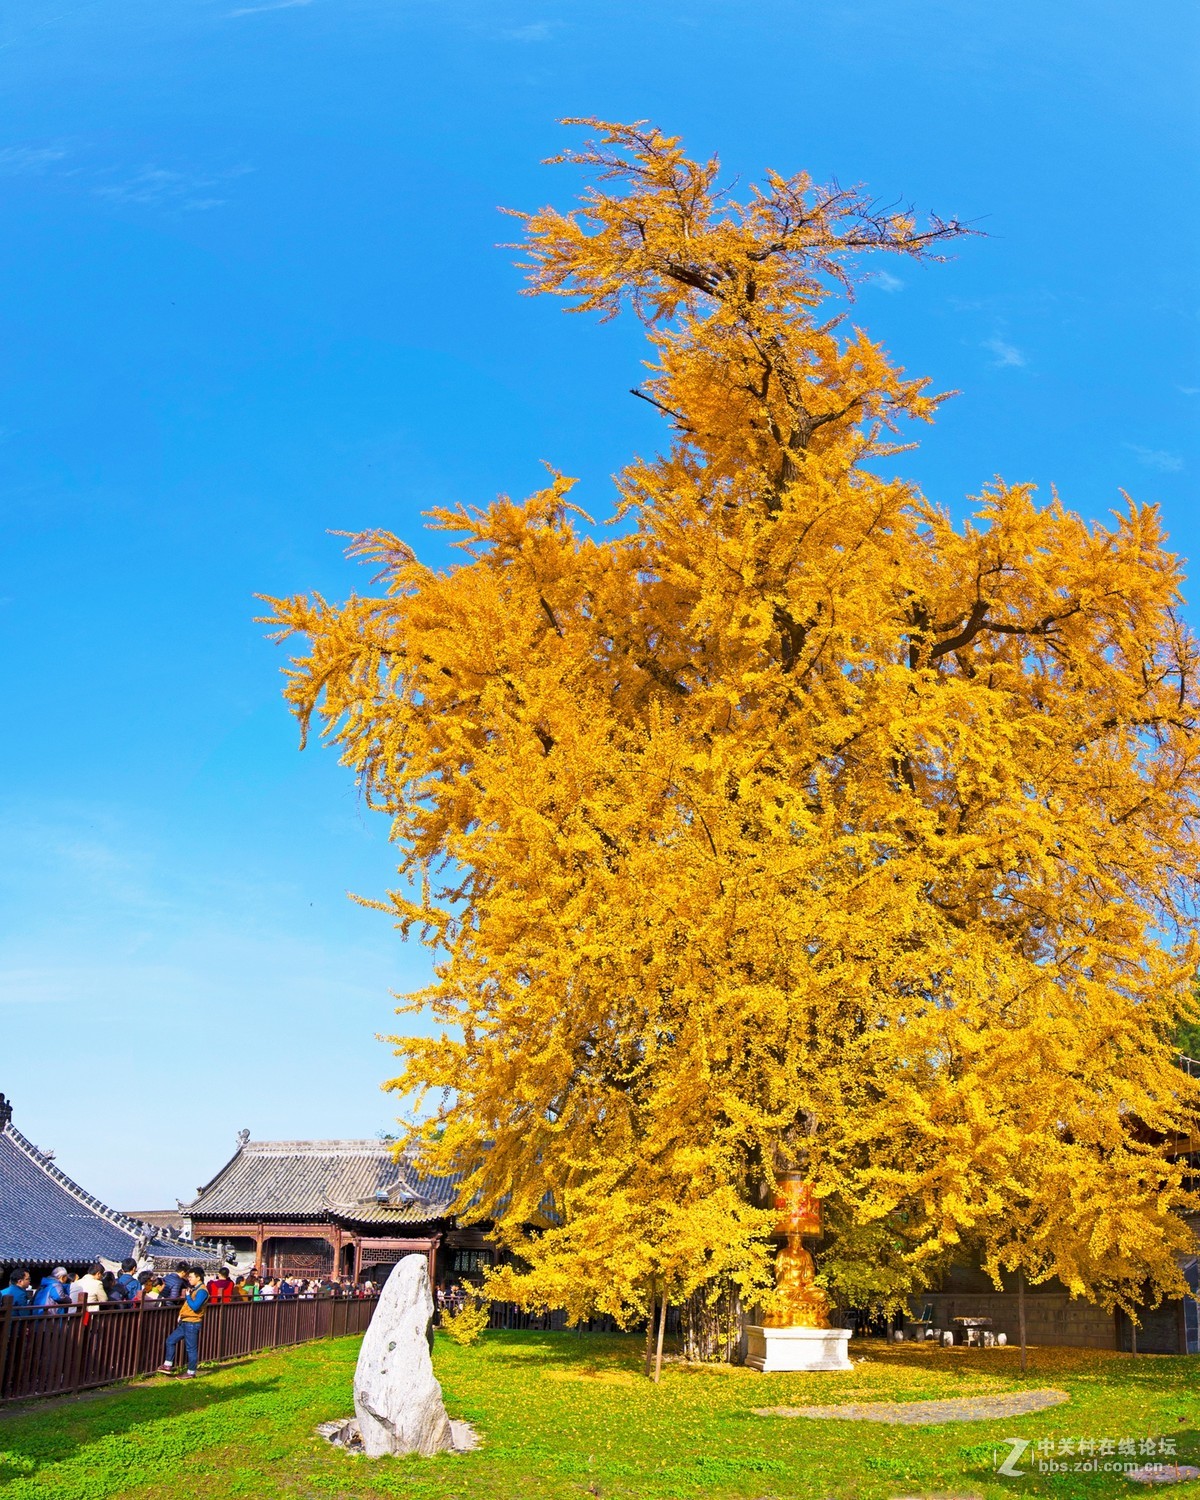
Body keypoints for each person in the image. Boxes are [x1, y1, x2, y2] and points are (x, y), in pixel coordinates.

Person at [157, 1270, 210, 1379]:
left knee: (191, 1348)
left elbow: (195, 1306)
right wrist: (181, 1315)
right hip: (186, 1321)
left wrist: (188, 1297)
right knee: (170, 1340)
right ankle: (168, 1365)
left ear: (198, 1277)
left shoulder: (202, 1291)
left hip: (192, 1322)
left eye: (191, 1277)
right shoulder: (194, 1289)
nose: (189, 1279)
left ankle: (191, 1372)